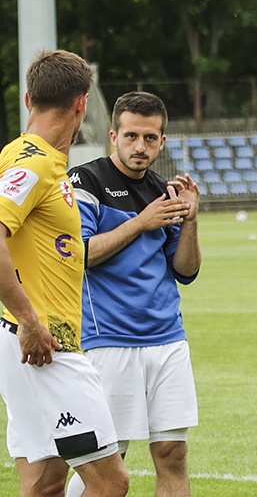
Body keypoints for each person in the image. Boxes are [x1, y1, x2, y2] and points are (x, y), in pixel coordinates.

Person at [0, 50, 129, 496]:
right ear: (82, 104)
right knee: (110, 483)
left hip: (23, 337)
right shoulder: (33, 161)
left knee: (45, 481)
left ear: (27, 99)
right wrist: (30, 320)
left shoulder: (33, 159)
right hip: (45, 343)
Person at [65, 91, 201, 497]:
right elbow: (81, 256)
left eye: (150, 138)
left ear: (162, 141)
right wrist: (141, 222)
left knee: (172, 453)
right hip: (109, 340)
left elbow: (186, 271)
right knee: (108, 461)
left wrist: (190, 220)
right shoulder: (85, 181)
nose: (140, 146)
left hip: (167, 339)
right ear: (113, 136)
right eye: (131, 136)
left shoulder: (166, 191)